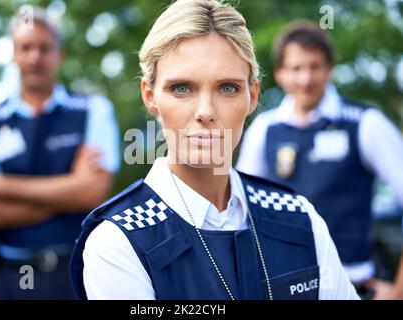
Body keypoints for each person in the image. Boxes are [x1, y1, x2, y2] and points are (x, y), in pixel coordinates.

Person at [70, 0, 358, 300]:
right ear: (150, 96)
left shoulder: (300, 217)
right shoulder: (117, 240)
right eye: (182, 88)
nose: (205, 112)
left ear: (252, 96)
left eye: (227, 88)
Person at [236, 21, 403, 299]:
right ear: (279, 73)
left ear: (330, 68)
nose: (306, 78)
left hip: (353, 288)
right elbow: (240, 214)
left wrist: (398, 291)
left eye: (314, 66)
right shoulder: (265, 129)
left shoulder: (364, 123)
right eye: (296, 68)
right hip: (281, 289)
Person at [0, 7, 120, 299]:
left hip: (76, 272)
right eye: (26, 48)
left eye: (45, 48)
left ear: (59, 55)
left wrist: (1, 186)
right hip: (10, 275)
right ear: (13, 54)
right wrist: (69, 191)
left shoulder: (93, 110)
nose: (35, 57)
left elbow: (93, 193)